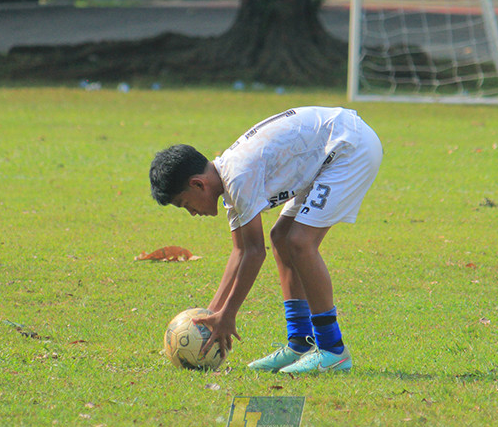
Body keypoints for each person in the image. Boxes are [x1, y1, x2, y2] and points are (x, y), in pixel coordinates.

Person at [149, 107, 382, 374]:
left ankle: (333, 350)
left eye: (184, 204)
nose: (191, 212)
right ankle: (300, 343)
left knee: (300, 242)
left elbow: (255, 252)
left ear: (198, 184)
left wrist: (229, 313)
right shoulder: (229, 181)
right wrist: (212, 314)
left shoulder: (238, 177)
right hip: (332, 150)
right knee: (281, 238)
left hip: (350, 147)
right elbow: (240, 251)